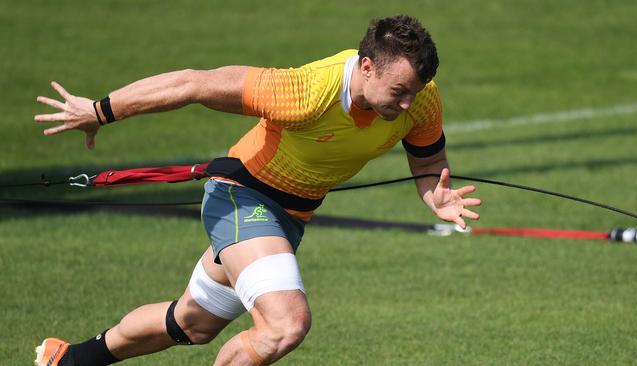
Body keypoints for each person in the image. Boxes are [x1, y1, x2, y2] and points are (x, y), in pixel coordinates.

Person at [33, 15, 481, 366]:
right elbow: (193, 82)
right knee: (286, 325)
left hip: (289, 218)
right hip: (242, 196)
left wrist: (434, 195)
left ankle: (71, 358)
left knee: (192, 323)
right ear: (366, 67)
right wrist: (99, 110)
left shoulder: (421, 98)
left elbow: (428, 160)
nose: (408, 104)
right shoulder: (305, 93)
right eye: (399, 91)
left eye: (415, 92)